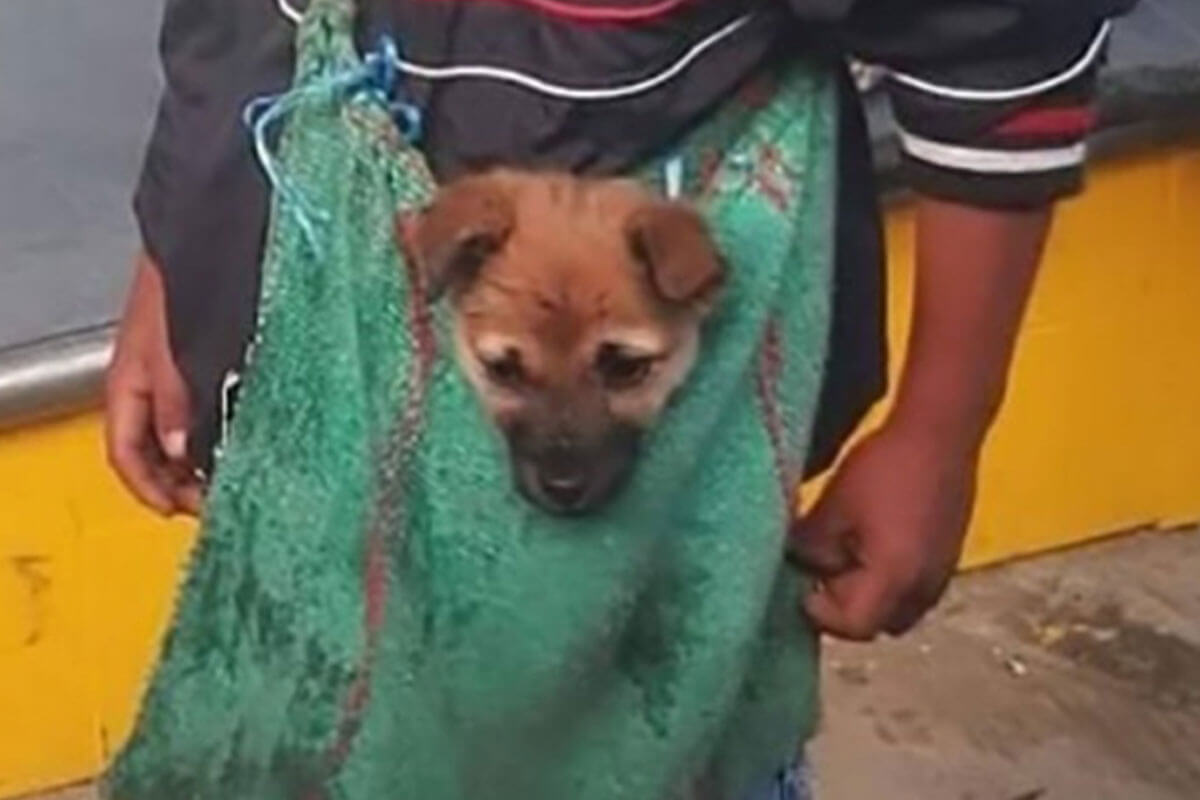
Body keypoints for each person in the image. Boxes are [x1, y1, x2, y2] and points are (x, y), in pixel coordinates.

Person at [104, 0, 1134, 794]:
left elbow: (1004, 44)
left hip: (691, 471)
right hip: (338, 395)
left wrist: (939, 427)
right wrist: (180, 258)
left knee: (671, 715)